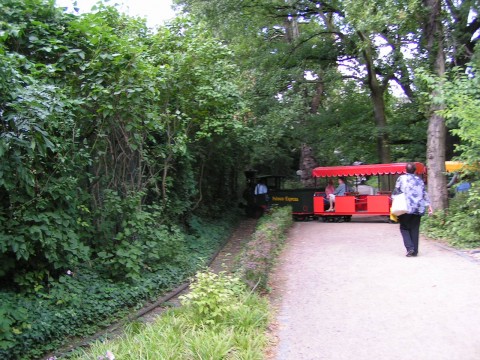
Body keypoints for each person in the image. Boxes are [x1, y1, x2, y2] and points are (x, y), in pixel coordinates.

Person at [393, 162, 433, 257]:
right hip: (418, 208)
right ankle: (415, 251)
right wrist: (429, 206)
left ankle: (410, 248)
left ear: (405, 170)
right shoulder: (419, 180)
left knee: (404, 228)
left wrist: (393, 202)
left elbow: (396, 192)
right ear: (415, 170)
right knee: (415, 229)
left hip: (405, 207)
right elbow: (424, 193)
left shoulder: (401, 179)